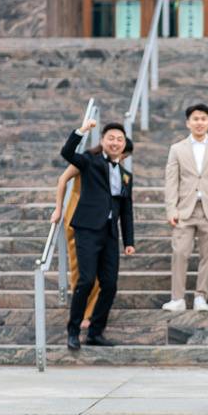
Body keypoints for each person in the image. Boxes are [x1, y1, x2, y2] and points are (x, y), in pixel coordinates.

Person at [60, 119, 135, 350]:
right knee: (86, 280)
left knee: (110, 284)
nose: (115, 142)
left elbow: (127, 209)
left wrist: (129, 241)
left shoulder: (126, 175)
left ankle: (95, 331)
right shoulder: (90, 162)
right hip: (88, 230)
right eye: (110, 138)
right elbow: (67, 152)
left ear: (124, 145)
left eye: (119, 139)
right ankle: (73, 331)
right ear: (102, 141)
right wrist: (81, 131)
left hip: (111, 234)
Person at [162, 104, 208, 312]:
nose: (199, 122)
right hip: (184, 210)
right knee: (180, 253)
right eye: (195, 118)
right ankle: (177, 298)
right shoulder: (177, 149)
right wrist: (171, 210)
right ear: (188, 123)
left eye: (203, 118)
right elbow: (171, 181)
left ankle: (201, 296)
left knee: (207, 256)